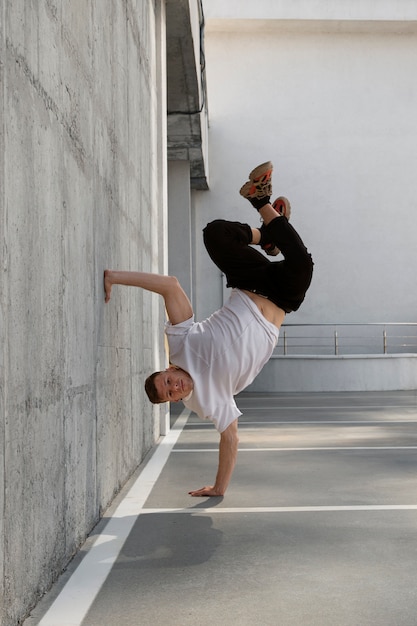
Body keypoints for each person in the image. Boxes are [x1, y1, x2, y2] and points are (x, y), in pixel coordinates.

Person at [104, 162, 313, 497]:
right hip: (282, 300)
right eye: (171, 393)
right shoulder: (206, 402)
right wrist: (219, 488)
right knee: (302, 265)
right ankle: (263, 203)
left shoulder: (180, 345)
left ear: (168, 369)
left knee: (215, 233)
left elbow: (170, 287)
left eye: (167, 381)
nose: (175, 387)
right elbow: (230, 437)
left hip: (250, 283)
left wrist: (115, 276)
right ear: (176, 400)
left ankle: (265, 237)